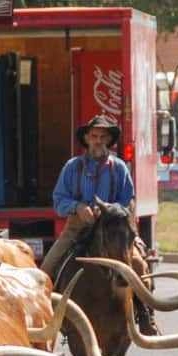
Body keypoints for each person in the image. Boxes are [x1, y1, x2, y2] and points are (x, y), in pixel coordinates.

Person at [40, 114, 137, 279]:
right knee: (45, 271)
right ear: (86, 138)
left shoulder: (119, 167)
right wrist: (77, 207)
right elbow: (59, 200)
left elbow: (128, 202)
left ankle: (142, 304)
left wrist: (109, 210)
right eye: (94, 136)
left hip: (113, 232)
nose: (98, 140)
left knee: (140, 267)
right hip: (76, 229)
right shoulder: (72, 166)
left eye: (103, 136)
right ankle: (50, 303)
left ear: (108, 139)